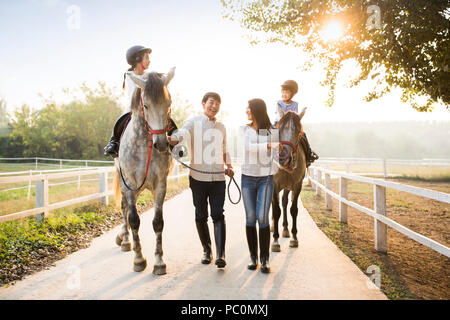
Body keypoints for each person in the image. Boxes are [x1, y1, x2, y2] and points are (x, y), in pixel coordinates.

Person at [168, 92, 234, 268]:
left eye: (217, 104)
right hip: (198, 179)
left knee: (218, 214)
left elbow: (225, 148)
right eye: (211, 102)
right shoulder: (193, 122)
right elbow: (181, 134)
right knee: (201, 215)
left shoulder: (221, 127)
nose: (214, 106)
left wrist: (229, 166)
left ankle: (221, 255)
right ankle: (207, 250)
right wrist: (170, 139)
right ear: (204, 103)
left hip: (219, 178)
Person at [104, 45, 177, 157]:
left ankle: (175, 144)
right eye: (146, 57)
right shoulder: (130, 75)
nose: (149, 60)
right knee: (120, 121)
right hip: (134, 109)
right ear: (137, 60)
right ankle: (113, 142)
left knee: (169, 121)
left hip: (150, 108)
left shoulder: (149, 75)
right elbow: (136, 92)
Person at [240, 98, 279, 273]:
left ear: (257, 110)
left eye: (249, 108)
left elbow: (277, 152)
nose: (247, 111)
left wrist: (273, 149)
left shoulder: (272, 130)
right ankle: (253, 257)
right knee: (250, 217)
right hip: (248, 176)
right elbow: (248, 148)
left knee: (263, 218)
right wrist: (268, 145)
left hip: (266, 178)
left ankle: (265, 260)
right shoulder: (244, 129)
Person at [274, 80, 319, 167]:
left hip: (291, 125)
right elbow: (279, 115)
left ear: (292, 94)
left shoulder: (295, 104)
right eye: (283, 92)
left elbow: (294, 116)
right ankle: (263, 155)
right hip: (279, 123)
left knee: (303, 136)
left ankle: (308, 154)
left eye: (287, 92)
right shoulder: (279, 103)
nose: (284, 94)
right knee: (268, 134)